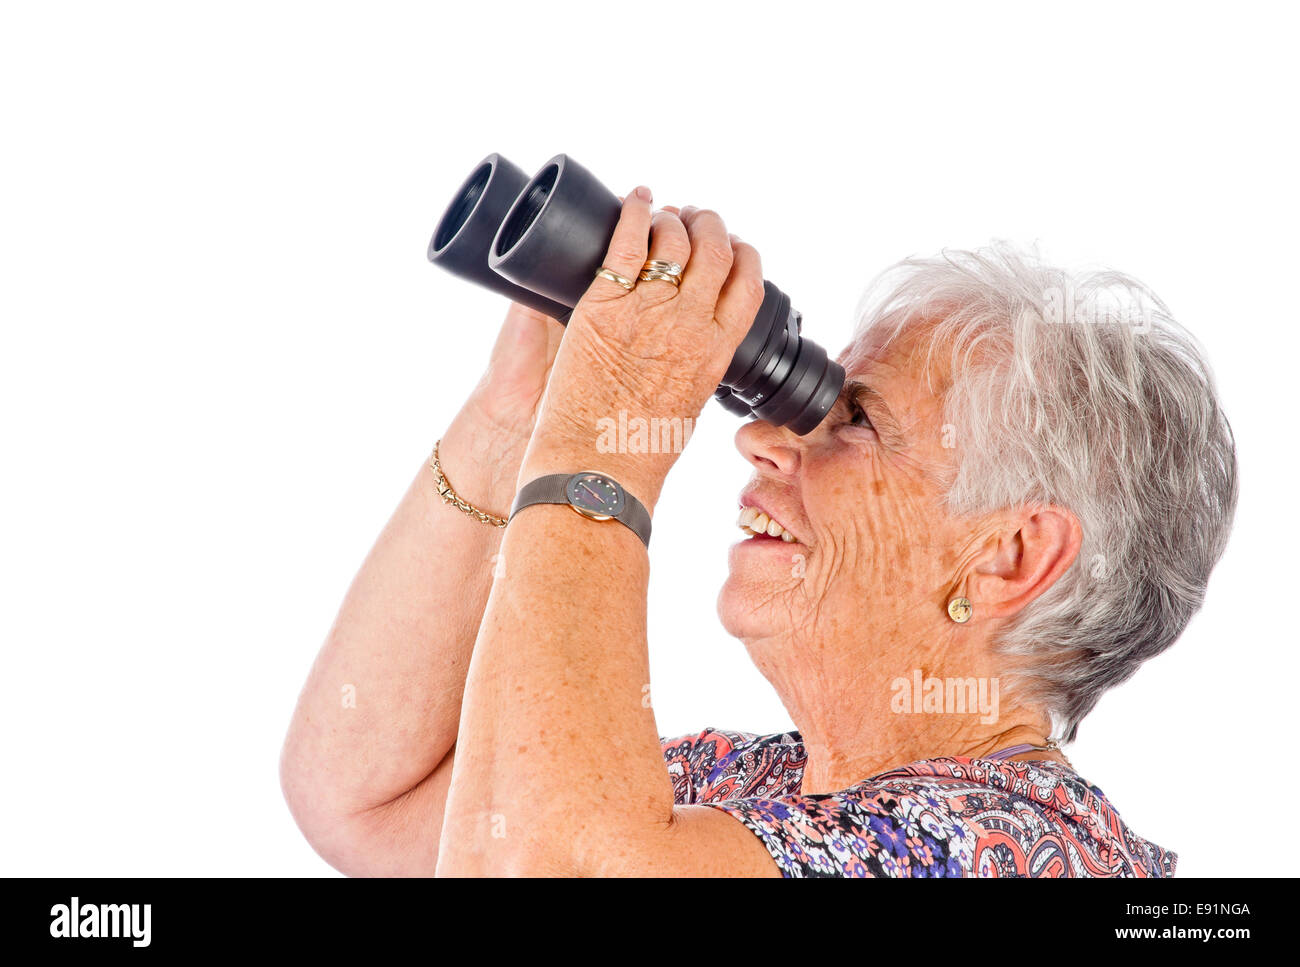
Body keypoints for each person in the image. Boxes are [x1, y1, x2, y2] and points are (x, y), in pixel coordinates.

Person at [281, 189, 1237, 876]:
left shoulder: (1019, 852)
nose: (761, 436)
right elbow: (364, 798)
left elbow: (544, 870)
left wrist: (608, 425)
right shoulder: (755, 783)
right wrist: (517, 415)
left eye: (856, 420)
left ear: (1008, 555)